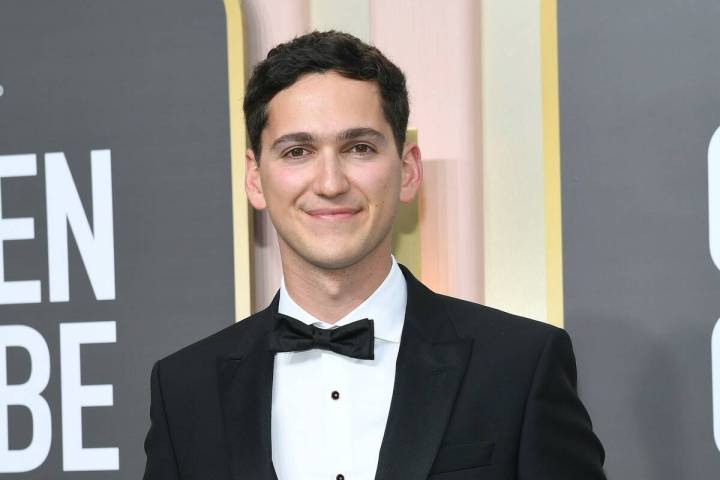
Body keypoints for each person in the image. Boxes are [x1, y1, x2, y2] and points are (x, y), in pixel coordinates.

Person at [143, 30, 606, 480]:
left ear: (407, 170)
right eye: (297, 151)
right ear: (254, 178)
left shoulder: (519, 366)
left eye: (359, 148)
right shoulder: (185, 390)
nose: (330, 182)